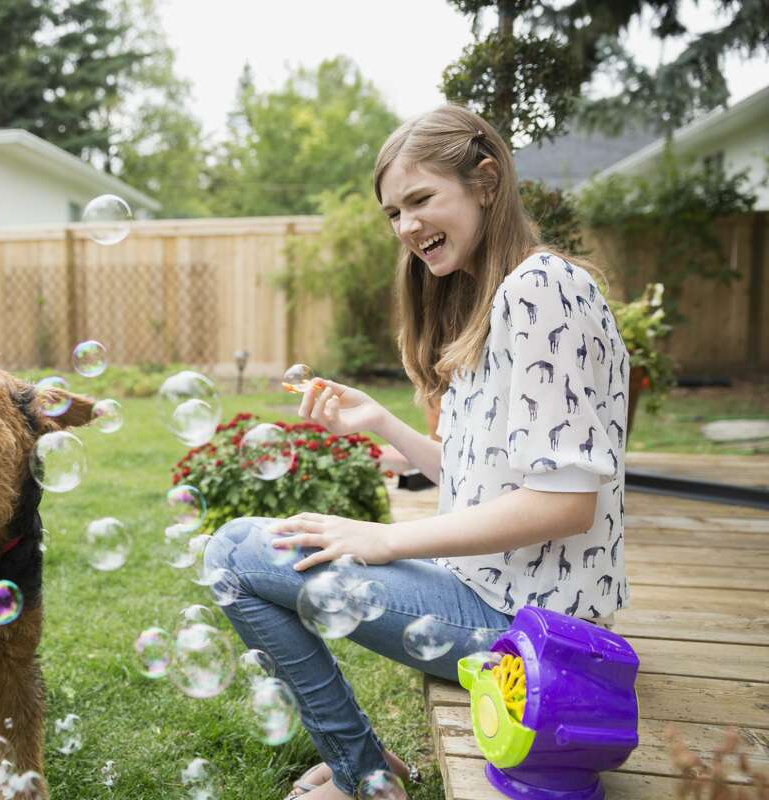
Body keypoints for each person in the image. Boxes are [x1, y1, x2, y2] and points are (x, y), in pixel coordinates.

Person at [203, 104, 631, 800]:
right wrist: (386, 428)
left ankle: (365, 777)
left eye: (420, 201)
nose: (404, 227)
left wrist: (383, 541)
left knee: (230, 556)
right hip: (492, 598)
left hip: (529, 634)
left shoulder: (541, 290)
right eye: (392, 213)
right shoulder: (496, 297)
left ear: (486, 182)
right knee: (241, 551)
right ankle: (365, 768)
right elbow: (492, 479)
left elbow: (564, 503)